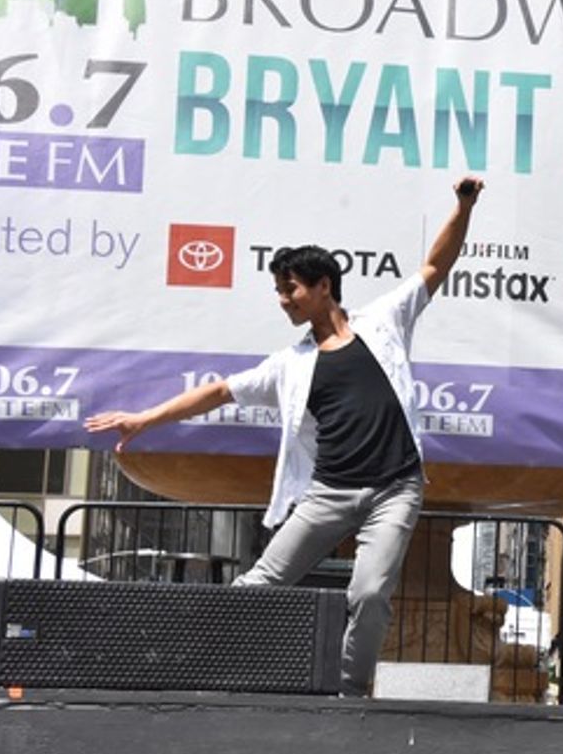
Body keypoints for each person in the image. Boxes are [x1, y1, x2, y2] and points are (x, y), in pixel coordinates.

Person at [85, 177, 483, 696]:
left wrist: (463, 205)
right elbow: (219, 392)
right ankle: (188, 663)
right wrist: (144, 419)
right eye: (278, 291)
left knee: (368, 593)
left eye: (290, 288)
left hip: (395, 488)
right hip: (328, 492)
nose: (283, 300)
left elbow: (436, 266)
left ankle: (351, 692)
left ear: (323, 287)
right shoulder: (290, 365)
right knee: (259, 584)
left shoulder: (383, 323)